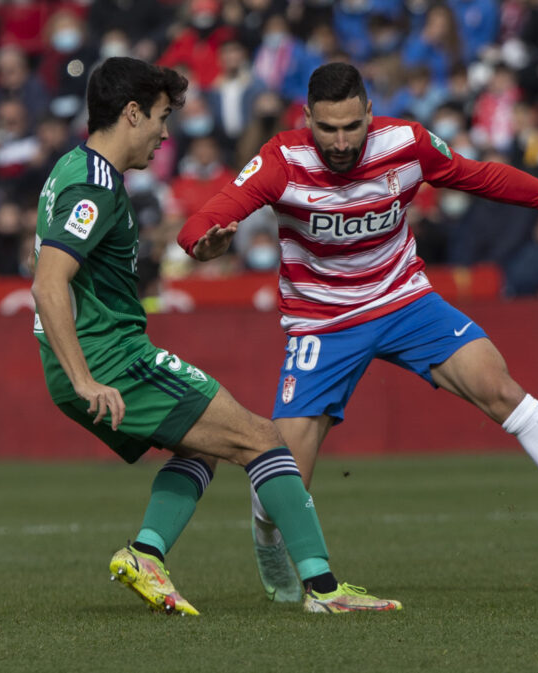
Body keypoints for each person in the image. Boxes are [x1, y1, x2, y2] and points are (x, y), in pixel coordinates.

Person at [178, 62, 538, 603]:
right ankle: (266, 537)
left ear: (370, 114)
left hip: (405, 301)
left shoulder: (406, 143)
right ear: (306, 118)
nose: (339, 141)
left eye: (351, 127)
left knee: (501, 389)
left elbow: (484, 177)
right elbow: (202, 221)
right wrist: (203, 245)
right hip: (322, 322)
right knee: (281, 475)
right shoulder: (280, 161)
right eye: (326, 128)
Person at [31, 57, 400, 615]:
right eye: (159, 116)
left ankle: (145, 553)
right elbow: (48, 283)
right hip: (110, 358)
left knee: (200, 448)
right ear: (131, 113)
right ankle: (324, 591)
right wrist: (85, 378)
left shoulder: (72, 168)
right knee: (264, 440)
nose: (163, 132)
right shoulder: (95, 186)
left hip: (97, 354)